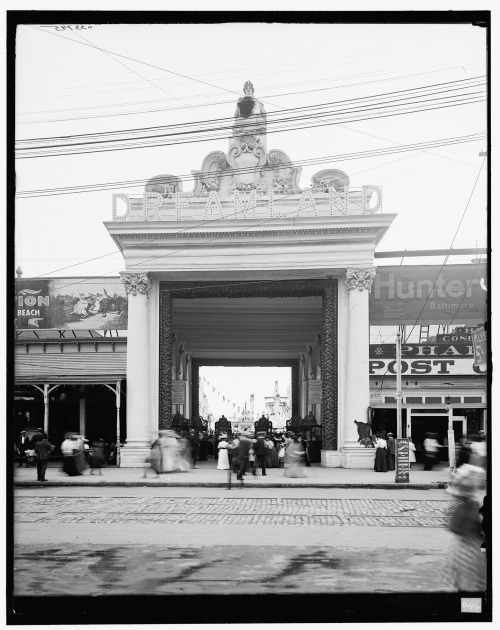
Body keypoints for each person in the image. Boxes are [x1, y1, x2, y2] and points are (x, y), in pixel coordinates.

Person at [441, 464, 486, 592]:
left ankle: (470, 609)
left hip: (465, 551)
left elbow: (453, 527)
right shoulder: (472, 508)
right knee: (470, 589)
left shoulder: (467, 508)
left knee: (467, 589)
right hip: (470, 551)